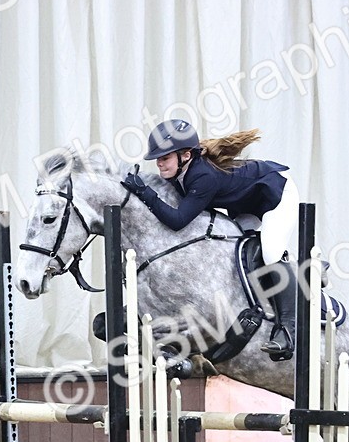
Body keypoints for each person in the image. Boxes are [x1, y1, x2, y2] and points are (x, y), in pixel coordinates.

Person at [121, 119, 300, 361]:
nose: (159, 163)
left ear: (185, 155)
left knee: (270, 253)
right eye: (157, 158)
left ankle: (288, 330)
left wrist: (144, 192)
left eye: (165, 157)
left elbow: (177, 220)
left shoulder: (202, 176)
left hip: (276, 195)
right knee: (241, 252)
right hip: (246, 205)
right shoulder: (181, 171)